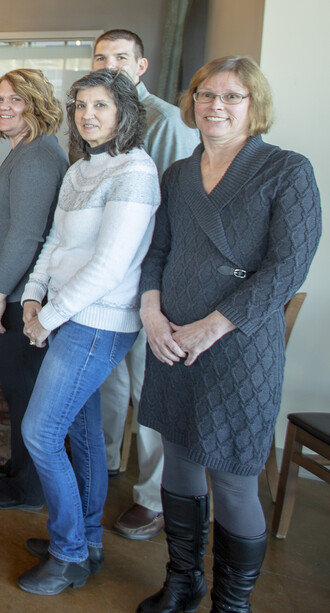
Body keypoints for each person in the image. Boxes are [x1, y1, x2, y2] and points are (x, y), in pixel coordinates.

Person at [136, 56, 321, 613]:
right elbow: (157, 252)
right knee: (181, 462)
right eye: (207, 95)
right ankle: (182, 581)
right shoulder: (178, 174)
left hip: (239, 346)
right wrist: (150, 311)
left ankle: (231, 603)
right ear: (193, 103)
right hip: (171, 340)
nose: (217, 105)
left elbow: (289, 266)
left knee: (234, 477)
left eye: (232, 97)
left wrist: (214, 326)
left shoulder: (287, 169)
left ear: (254, 106)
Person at [14, 69, 159, 596]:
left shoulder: (136, 171)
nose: (88, 115)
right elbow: (55, 242)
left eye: (100, 105)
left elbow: (110, 266)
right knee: (79, 432)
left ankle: (69, 551)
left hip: (99, 322)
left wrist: (45, 319)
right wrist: (33, 296)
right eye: (80, 106)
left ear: (123, 112)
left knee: (41, 432)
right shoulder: (80, 168)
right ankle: (89, 542)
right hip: (65, 311)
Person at [92, 28, 202, 540]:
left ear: (141, 66)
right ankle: (108, 460)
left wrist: (158, 286)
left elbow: (176, 209)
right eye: (101, 57)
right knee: (109, 379)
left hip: (150, 280)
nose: (110, 64)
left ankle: (154, 496)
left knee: (149, 387)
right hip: (110, 276)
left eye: (120, 57)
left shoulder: (169, 121)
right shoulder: (100, 117)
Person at [0, 69, 67, 510]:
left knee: (25, 392)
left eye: (17, 100)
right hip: (13, 289)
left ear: (37, 104)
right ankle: (18, 469)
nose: (4, 107)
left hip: (21, 296)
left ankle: (28, 490)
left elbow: (27, 235)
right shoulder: (23, 150)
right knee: (17, 389)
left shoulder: (39, 157)